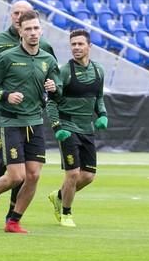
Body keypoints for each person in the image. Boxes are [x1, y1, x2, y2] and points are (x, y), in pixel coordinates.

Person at [0, 10, 60, 233]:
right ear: (20, 32)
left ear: (41, 30)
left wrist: (54, 88)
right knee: (16, 176)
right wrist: (5, 96)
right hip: (11, 122)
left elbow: (57, 88)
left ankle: (13, 221)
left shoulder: (48, 59)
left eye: (36, 28)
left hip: (35, 122)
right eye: (28, 29)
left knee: (33, 175)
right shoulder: (6, 58)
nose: (33, 33)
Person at [45, 29, 108, 227]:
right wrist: (57, 127)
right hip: (67, 127)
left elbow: (99, 98)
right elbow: (52, 101)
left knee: (88, 176)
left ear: (90, 46)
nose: (76, 48)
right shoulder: (65, 71)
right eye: (73, 44)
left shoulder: (99, 70)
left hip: (86, 128)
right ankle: (66, 213)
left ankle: (59, 196)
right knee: (72, 173)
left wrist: (103, 115)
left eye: (80, 44)